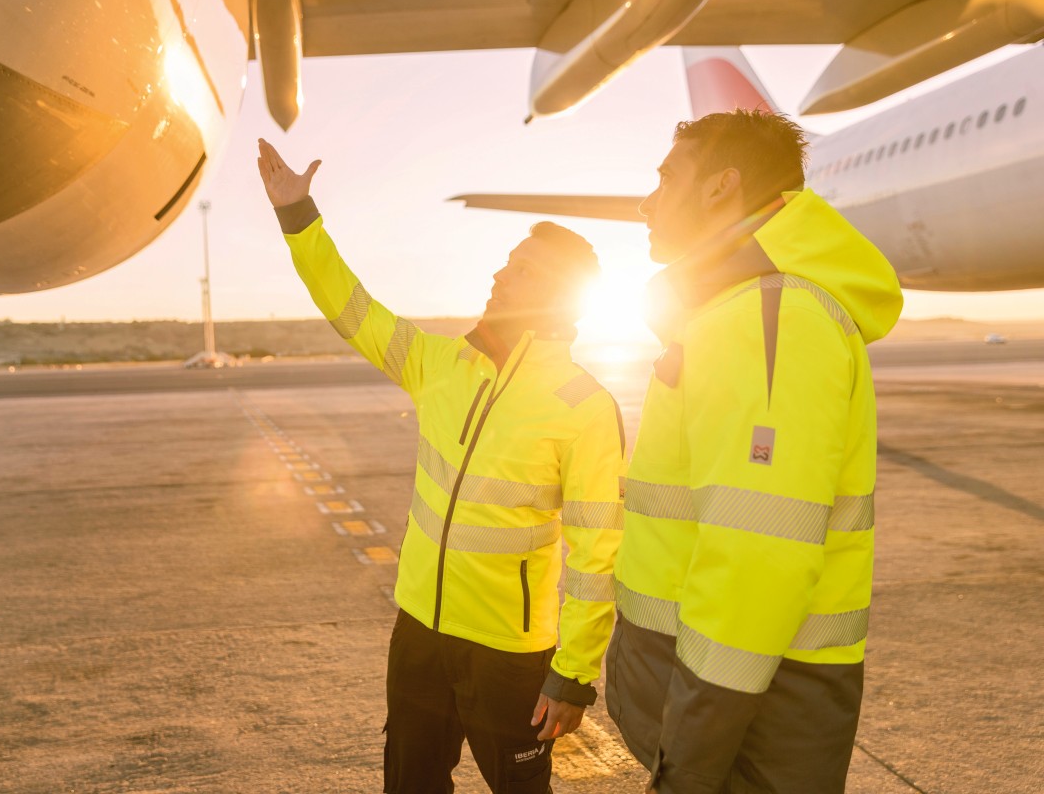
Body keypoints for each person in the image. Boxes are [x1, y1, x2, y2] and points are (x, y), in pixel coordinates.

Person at [256, 138, 625, 794]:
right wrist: (299, 217)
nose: (501, 277)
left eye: (526, 272)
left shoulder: (583, 405)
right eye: (508, 263)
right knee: (410, 784)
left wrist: (574, 674)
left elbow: (599, 557)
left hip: (510, 654)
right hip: (419, 634)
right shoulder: (438, 363)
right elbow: (350, 307)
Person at [607, 110, 904, 793]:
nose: (646, 201)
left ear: (721, 187)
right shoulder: (738, 307)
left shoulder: (770, 313)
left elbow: (757, 554)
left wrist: (690, 760)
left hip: (745, 727)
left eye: (666, 178)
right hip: (738, 712)